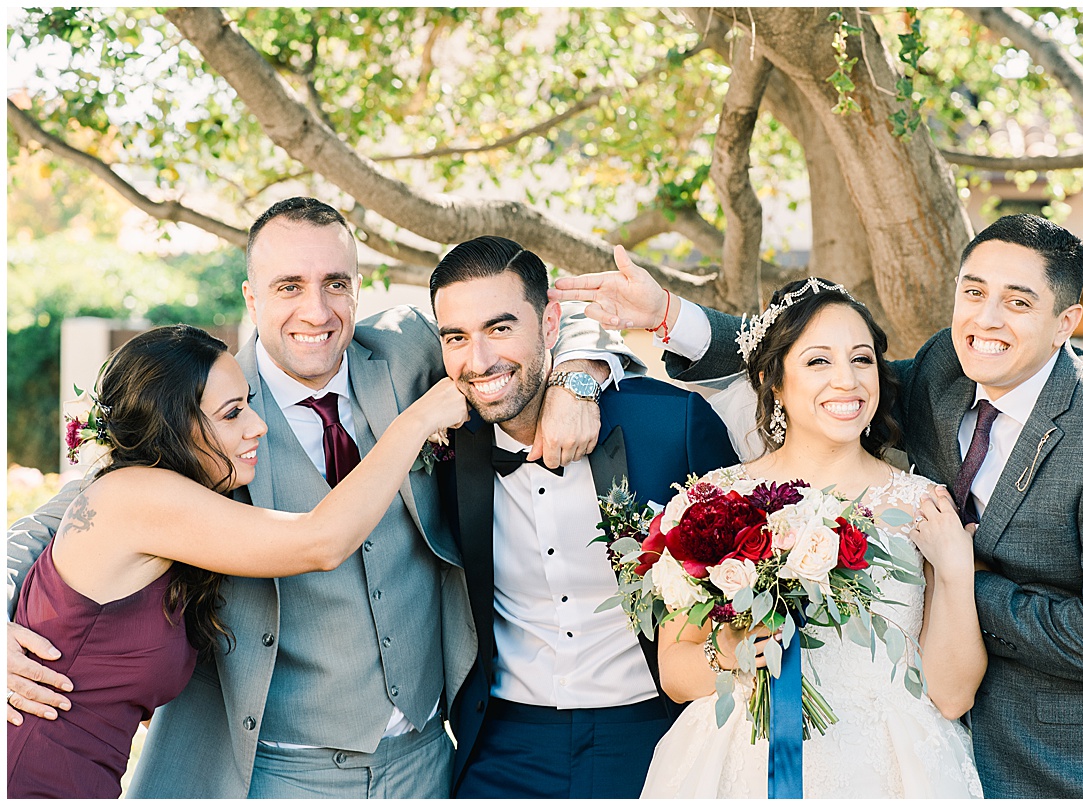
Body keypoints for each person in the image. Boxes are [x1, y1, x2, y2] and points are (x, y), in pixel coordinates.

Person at [552, 215, 1083, 798]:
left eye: (1018, 302)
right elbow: (813, 359)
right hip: (761, 757)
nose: (987, 319)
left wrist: (954, 576)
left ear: (1066, 322)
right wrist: (666, 313)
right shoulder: (947, 367)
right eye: (973, 291)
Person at [7, 198, 629, 798]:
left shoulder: (409, 349)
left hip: (424, 760)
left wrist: (578, 379)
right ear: (252, 298)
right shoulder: (210, 406)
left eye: (336, 283)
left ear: (360, 288)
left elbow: (541, 309)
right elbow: (59, 522)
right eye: (288, 287)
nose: (317, 309)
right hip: (275, 772)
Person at [6, 324, 468, 798]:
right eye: (231, 414)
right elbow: (321, 542)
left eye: (248, 402)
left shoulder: (153, 499)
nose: (259, 425)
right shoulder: (136, 497)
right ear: (171, 427)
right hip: (32, 772)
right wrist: (415, 422)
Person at [637, 279, 985, 797]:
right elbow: (674, 672)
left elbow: (953, 697)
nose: (847, 381)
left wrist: (956, 572)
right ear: (772, 380)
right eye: (819, 361)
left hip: (892, 768)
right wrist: (730, 652)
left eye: (862, 359)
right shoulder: (712, 503)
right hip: (742, 762)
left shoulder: (924, 505)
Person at [420, 236, 738, 798]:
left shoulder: (670, 426)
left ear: (549, 325)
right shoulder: (443, 440)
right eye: (456, 338)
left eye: (500, 328)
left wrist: (583, 370)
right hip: (503, 744)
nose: (479, 360)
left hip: (654, 731)